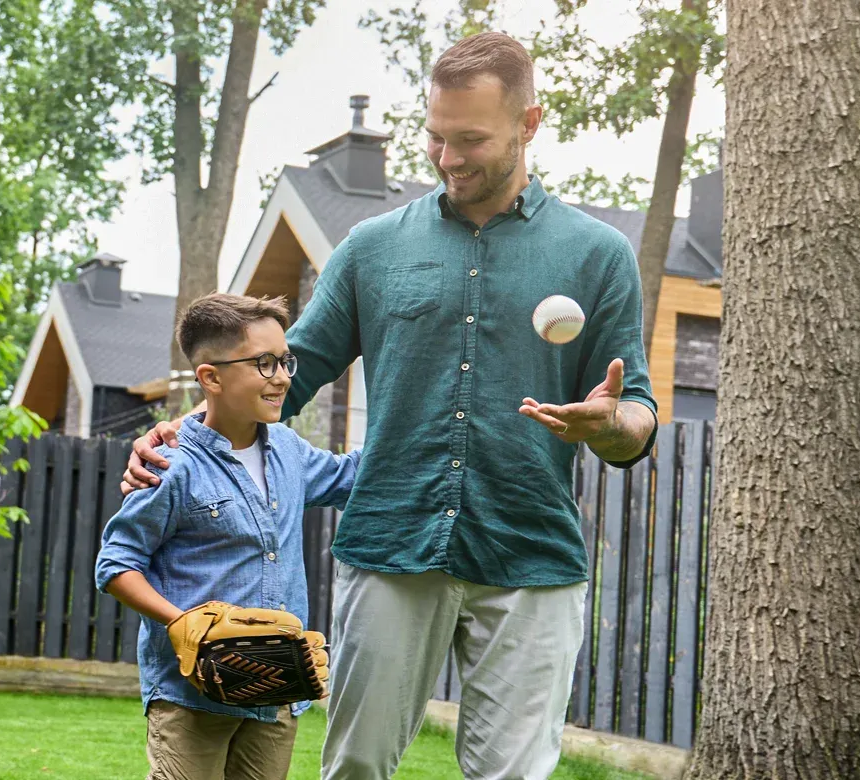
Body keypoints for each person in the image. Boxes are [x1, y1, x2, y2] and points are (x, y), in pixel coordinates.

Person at [121, 32, 659, 780]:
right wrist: (180, 435)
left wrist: (611, 425)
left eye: (471, 139)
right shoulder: (372, 248)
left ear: (529, 124)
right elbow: (285, 375)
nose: (448, 158)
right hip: (391, 544)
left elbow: (635, 413)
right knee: (358, 766)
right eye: (436, 137)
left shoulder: (597, 254)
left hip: (531, 554)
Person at [95, 293, 362, 780]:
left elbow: (355, 476)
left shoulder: (288, 451)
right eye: (264, 363)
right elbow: (115, 565)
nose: (282, 377)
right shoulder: (171, 467)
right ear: (210, 378)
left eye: (284, 361)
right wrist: (181, 623)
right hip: (190, 697)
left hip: (274, 693)